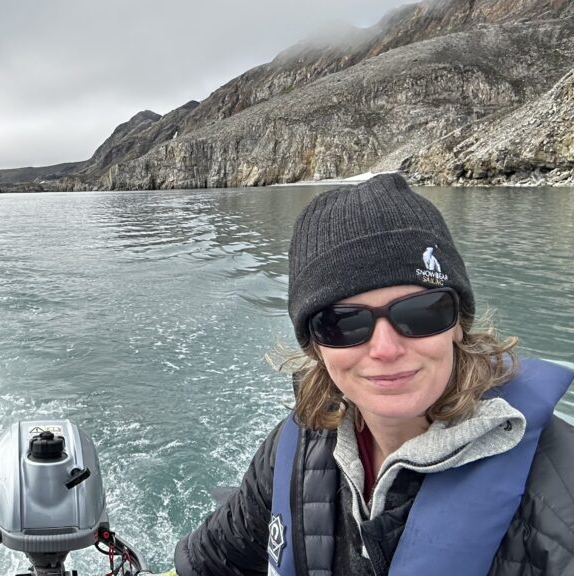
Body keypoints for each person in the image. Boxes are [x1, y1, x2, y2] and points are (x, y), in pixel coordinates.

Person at [173, 174, 574, 575]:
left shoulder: (559, 508)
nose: (386, 349)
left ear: (458, 323)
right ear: (315, 345)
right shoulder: (292, 451)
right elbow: (212, 561)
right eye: (343, 324)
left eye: (421, 312)